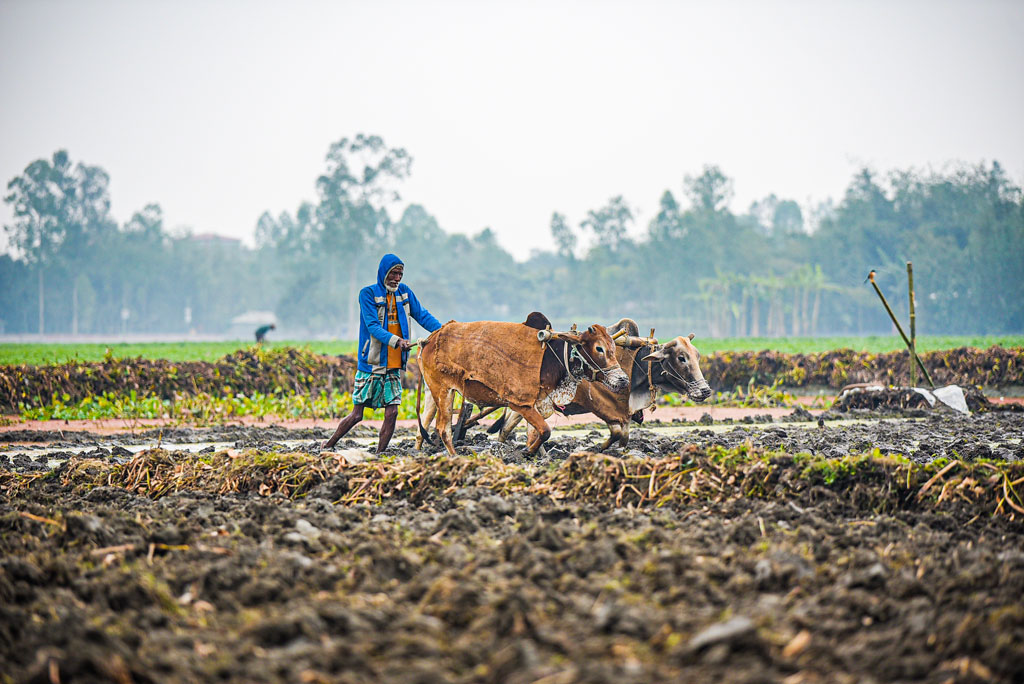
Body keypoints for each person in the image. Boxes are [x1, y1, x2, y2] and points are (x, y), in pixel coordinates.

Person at [323, 254, 442, 453]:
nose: (397, 278)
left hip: (395, 364)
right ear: (383, 273)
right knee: (357, 415)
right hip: (372, 362)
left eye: (400, 274)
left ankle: (380, 454)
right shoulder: (367, 294)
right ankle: (328, 445)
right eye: (393, 273)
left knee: (392, 412)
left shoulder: (404, 293)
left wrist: (443, 331)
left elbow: (422, 315)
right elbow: (373, 326)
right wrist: (397, 341)